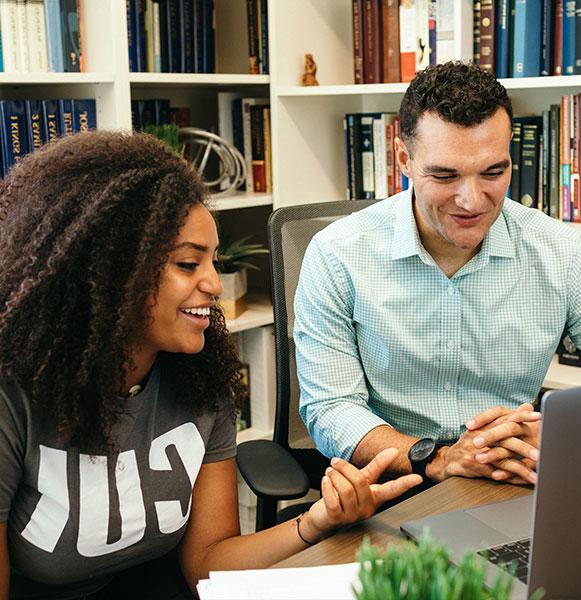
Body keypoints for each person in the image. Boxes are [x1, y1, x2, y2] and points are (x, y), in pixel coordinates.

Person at [0, 131, 422, 600]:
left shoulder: (201, 378)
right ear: (111, 272)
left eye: (213, 261)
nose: (215, 285)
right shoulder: (14, 396)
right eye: (187, 264)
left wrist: (318, 519)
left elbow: (208, 564)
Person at [294, 62, 581, 489]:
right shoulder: (337, 254)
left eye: (494, 172)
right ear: (404, 159)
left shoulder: (564, 255)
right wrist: (437, 459)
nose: (472, 201)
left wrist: (559, 435)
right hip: (392, 484)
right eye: (445, 175)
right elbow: (330, 409)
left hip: (512, 477)